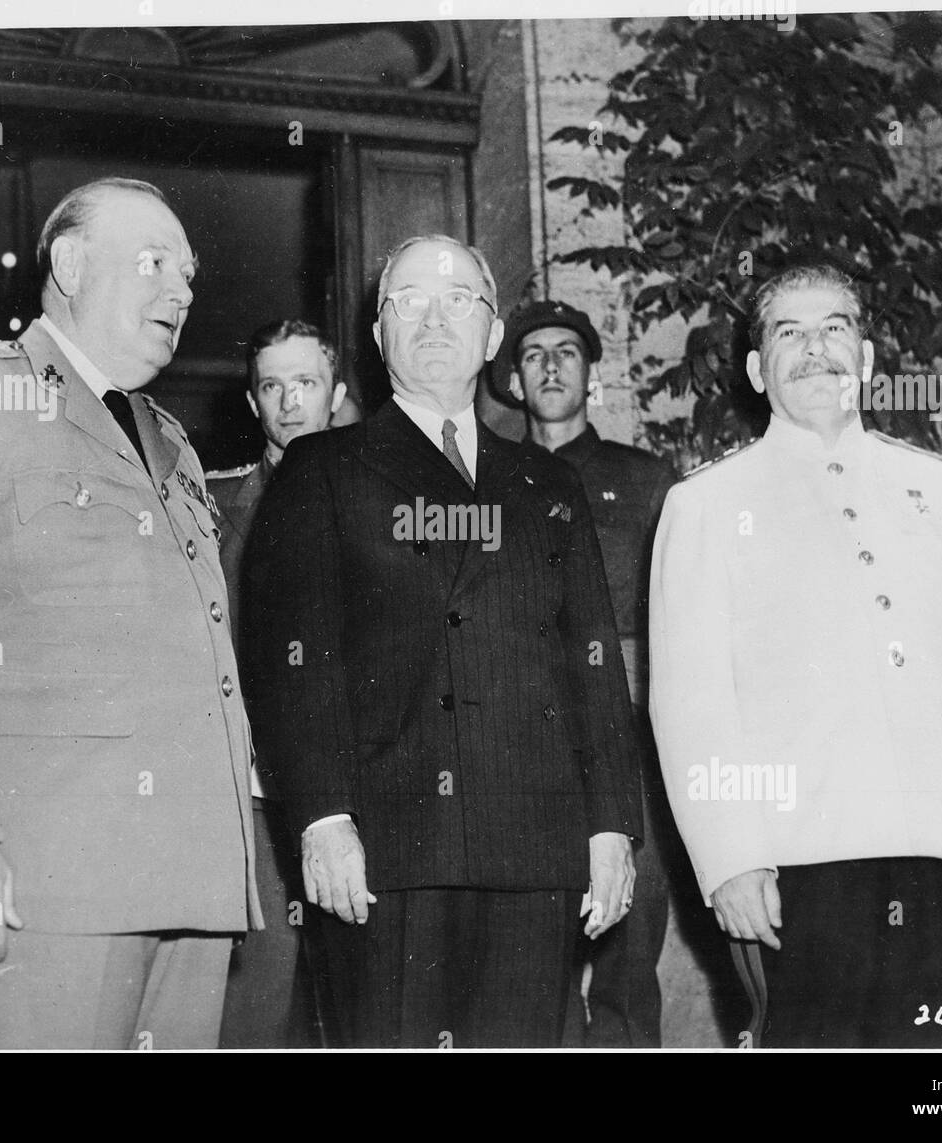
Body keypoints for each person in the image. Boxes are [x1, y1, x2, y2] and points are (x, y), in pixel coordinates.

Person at [0, 176, 261, 1050]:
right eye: (154, 263)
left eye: (190, 274)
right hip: (39, 880)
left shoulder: (173, 443)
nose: (181, 290)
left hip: (195, 878)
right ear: (69, 263)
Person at [241, 234, 643, 1048]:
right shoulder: (321, 468)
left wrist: (611, 827)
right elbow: (296, 662)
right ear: (378, 334)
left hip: (534, 844)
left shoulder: (548, 481)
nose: (432, 316)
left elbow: (591, 667)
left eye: (457, 298)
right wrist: (321, 819)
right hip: (387, 847)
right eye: (408, 300)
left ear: (492, 336)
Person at [648, 259, 942, 1048]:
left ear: (865, 361)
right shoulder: (704, 507)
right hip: (798, 868)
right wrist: (730, 855)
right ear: (758, 370)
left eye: (836, 327)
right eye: (788, 333)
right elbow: (692, 703)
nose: (816, 348)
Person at [503, 299, 674, 1047]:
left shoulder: (645, 480)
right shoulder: (486, 476)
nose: (549, 365)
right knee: (528, 950)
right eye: (534, 352)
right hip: (524, 738)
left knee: (629, 951)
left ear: (588, 374)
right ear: (514, 377)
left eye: (566, 352)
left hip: (629, 742)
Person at [206, 318, 346, 1048]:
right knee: (256, 1011)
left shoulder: (387, 499)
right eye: (272, 386)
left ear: (337, 392)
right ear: (254, 403)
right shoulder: (208, 504)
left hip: (361, 797)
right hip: (253, 798)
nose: (290, 402)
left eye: (306, 382)